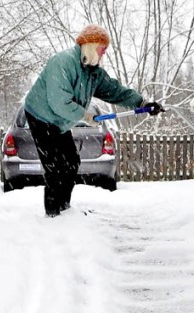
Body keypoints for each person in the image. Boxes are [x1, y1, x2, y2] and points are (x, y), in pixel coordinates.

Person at [24, 25, 163, 217]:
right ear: (91, 45)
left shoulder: (92, 72)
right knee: (55, 167)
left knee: (71, 162)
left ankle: (64, 208)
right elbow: (59, 103)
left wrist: (143, 103)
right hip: (41, 116)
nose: (104, 52)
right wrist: (86, 116)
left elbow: (115, 91)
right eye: (102, 47)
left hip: (60, 122)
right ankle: (53, 215)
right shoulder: (63, 63)